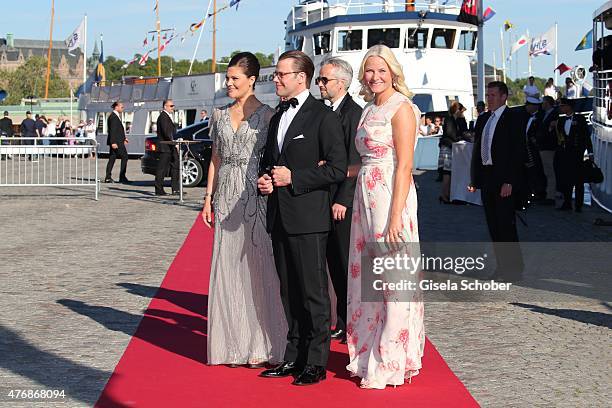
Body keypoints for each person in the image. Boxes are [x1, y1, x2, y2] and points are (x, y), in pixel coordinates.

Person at [257, 50, 347, 386]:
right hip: (279, 214)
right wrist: (266, 179)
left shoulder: (323, 117)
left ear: (301, 77)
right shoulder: (278, 114)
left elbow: (338, 169)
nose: (276, 79)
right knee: (289, 291)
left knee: (313, 293)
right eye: (275, 75)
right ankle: (293, 357)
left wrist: (294, 178)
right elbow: (271, 161)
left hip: (309, 218)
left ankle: (316, 361)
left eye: (281, 74)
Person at [345, 44, 424, 389]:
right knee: (369, 281)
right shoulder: (367, 108)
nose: (375, 76)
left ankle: (390, 360)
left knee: (394, 281)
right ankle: (367, 353)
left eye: (381, 70)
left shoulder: (402, 108)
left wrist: (395, 219)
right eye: (369, 70)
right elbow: (363, 161)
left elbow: (405, 165)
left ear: (393, 72)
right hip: (366, 197)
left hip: (392, 198)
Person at [202, 52, 286, 368]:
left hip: (255, 196)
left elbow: (276, 158)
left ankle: (262, 343)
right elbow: (215, 159)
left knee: (258, 267)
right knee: (227, 269)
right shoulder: (219, 115)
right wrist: (208, 198)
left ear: (251, 80)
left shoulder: (268, 115)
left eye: (235, 78)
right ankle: (231, 345)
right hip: (225, 198)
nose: (229, 84)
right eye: (227, 78)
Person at [316, 57, 362, 344]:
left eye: (324, 80)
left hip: (342, 201)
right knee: (334, 263)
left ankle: (351, 323)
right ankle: (342, 321)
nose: (319, 84)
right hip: (324, 197)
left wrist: (343, 199)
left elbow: (354, 161)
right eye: (319, 80)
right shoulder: (324, 111)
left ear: (341, 83)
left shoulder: (353, 114)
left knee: (345, 264)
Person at [469, 81, 526, 282]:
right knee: (493, 225)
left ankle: (513, 269)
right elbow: (478, 150)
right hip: (487, 177)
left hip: (504, 178)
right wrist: (474, 179)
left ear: (503, 97)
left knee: (506, 225)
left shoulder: (513, 118)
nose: (489, 99)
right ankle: (502, 267)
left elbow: (517, 152)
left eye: (493, 95)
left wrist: (510, 181)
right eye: (488, 95)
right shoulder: (484, 119)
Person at [554, 98, 593, 212]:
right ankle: (567, 203)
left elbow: (586, 136)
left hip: (577, 153)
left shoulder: (580, 119)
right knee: (566, 178)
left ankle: (579, 205)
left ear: (569, 107)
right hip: (565, 153)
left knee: (578, 180)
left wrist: (589, 151)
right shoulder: (561, 121)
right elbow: (560, 138)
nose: (561, 108)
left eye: (563, 106)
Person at [438, 101, 467, 203]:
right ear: (457, 110)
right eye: (461, 111)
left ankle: (446, 194)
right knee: (447, 172)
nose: (462, 113)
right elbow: (450, 134)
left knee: (448, 172)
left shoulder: (453, 119)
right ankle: (444, 195)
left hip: (449, 146)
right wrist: (458, 138)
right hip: (448, 147)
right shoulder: (450, 120)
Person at [154, 100, 180, 196]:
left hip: (170, 147)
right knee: (162, 169)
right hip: (165, 147)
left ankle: (175, 188)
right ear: (165, 106)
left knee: (175, 166)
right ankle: (159, 189)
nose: (173, 107)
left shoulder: (168, 116)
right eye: (171, 106)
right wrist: (174, 143)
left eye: (173, 105)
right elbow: (166, 132)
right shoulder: (163, 117)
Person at [535, 96, 559, 202]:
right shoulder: (543, 114)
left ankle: (551, 196)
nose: (542, 105)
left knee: (550, 171)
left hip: (549, 146)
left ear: (548, 103)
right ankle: (544, 193)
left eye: (543, 102)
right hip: (542, 146)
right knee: (544, 171)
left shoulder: (554, 114)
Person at [104, 101, 130, 183]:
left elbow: (118, 130)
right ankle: (122, 177)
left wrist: (124, 138)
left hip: (118, 140)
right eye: (121, 107)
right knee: (125, 156)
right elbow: (113, 130)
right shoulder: (114, 117)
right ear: (116, 107)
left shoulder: (116, 116)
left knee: (112, 158)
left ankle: (108, 177)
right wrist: (113, 142)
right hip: (116, 142)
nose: (123, 109)